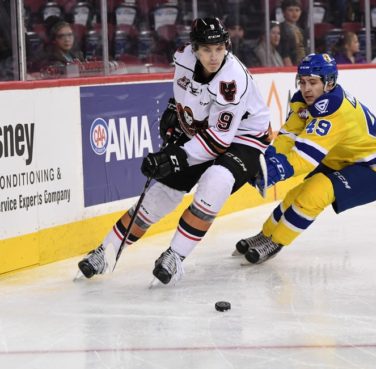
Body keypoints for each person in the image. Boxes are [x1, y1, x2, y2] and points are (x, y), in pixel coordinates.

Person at [77, 17, 271, 285]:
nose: (214, 56)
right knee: (161, 194)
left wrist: (176, 156)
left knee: (216, 181)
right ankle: (106, 250)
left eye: (219, 49)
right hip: (203, 130)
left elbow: (218, 141)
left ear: (226, 46)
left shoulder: (232, 82)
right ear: (195, 49)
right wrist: (177, 116)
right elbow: (184, 95)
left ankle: (175, 256)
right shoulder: (183, 58)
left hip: (244, 139)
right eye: (206, 49)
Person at [234, 53, 376, 264]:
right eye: (302, 82)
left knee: (314, 193)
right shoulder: (304, 101)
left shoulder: (334, 110)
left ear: (329, 82)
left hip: (375, 169)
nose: (306, 88)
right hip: (342, 158)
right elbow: (289, 135)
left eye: (313, 82)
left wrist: (273, 173)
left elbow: (305, 158)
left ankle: (276, 242)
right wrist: (269, 160)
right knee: (297, 194)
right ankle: (265, 234)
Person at [278, 0, 307, 66]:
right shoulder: (280, 29)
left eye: (297, 10)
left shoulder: (301, 30)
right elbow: (284, 52)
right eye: (290, 10)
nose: (294, 13)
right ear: (283, 12)